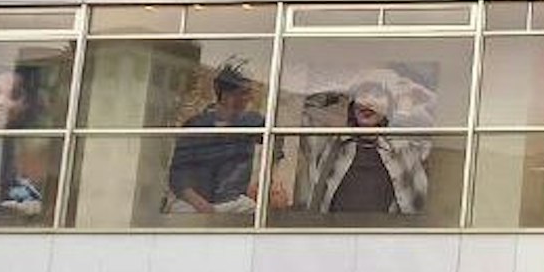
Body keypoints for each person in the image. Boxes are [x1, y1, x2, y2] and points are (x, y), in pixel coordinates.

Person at [301, 78, 430, 216]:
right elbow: (308, 108)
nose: (368, 102)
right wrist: (339, 89)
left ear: (389, 108)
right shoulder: (330, 143)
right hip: (334, 234)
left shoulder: (403, 147)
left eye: (377, 95)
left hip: (386, 235)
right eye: (362, 95)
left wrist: (406, 96)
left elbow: (435, 111)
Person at [165, 59, 272, 216]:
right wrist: (201, 205)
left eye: (248, 93)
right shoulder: (196, 125)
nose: (246, 98)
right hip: (196, 203)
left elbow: (276, 141)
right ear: (223, 92)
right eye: (240, 93)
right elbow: (178, 175)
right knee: (177, 214)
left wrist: (270, 179)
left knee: (258, 217)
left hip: (233, 202)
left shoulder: (252, 121)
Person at [0, 64, 49, 225]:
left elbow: (33, 205)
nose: (1, 102)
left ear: (26, 106)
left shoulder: (16, 150)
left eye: (14, 96)